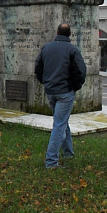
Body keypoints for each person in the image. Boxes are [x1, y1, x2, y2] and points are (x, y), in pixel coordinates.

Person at [34, 23, 87, 169]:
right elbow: (81, 71)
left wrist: (46, 82)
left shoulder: (47, 48)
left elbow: (38, 68)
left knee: (62, 121)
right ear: (69, 34)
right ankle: (51, 162)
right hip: (64, 92)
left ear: (57, 32)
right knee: (59, 125)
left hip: (51, 91)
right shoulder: (72, 50)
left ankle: (68, 152)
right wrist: (74, 87)